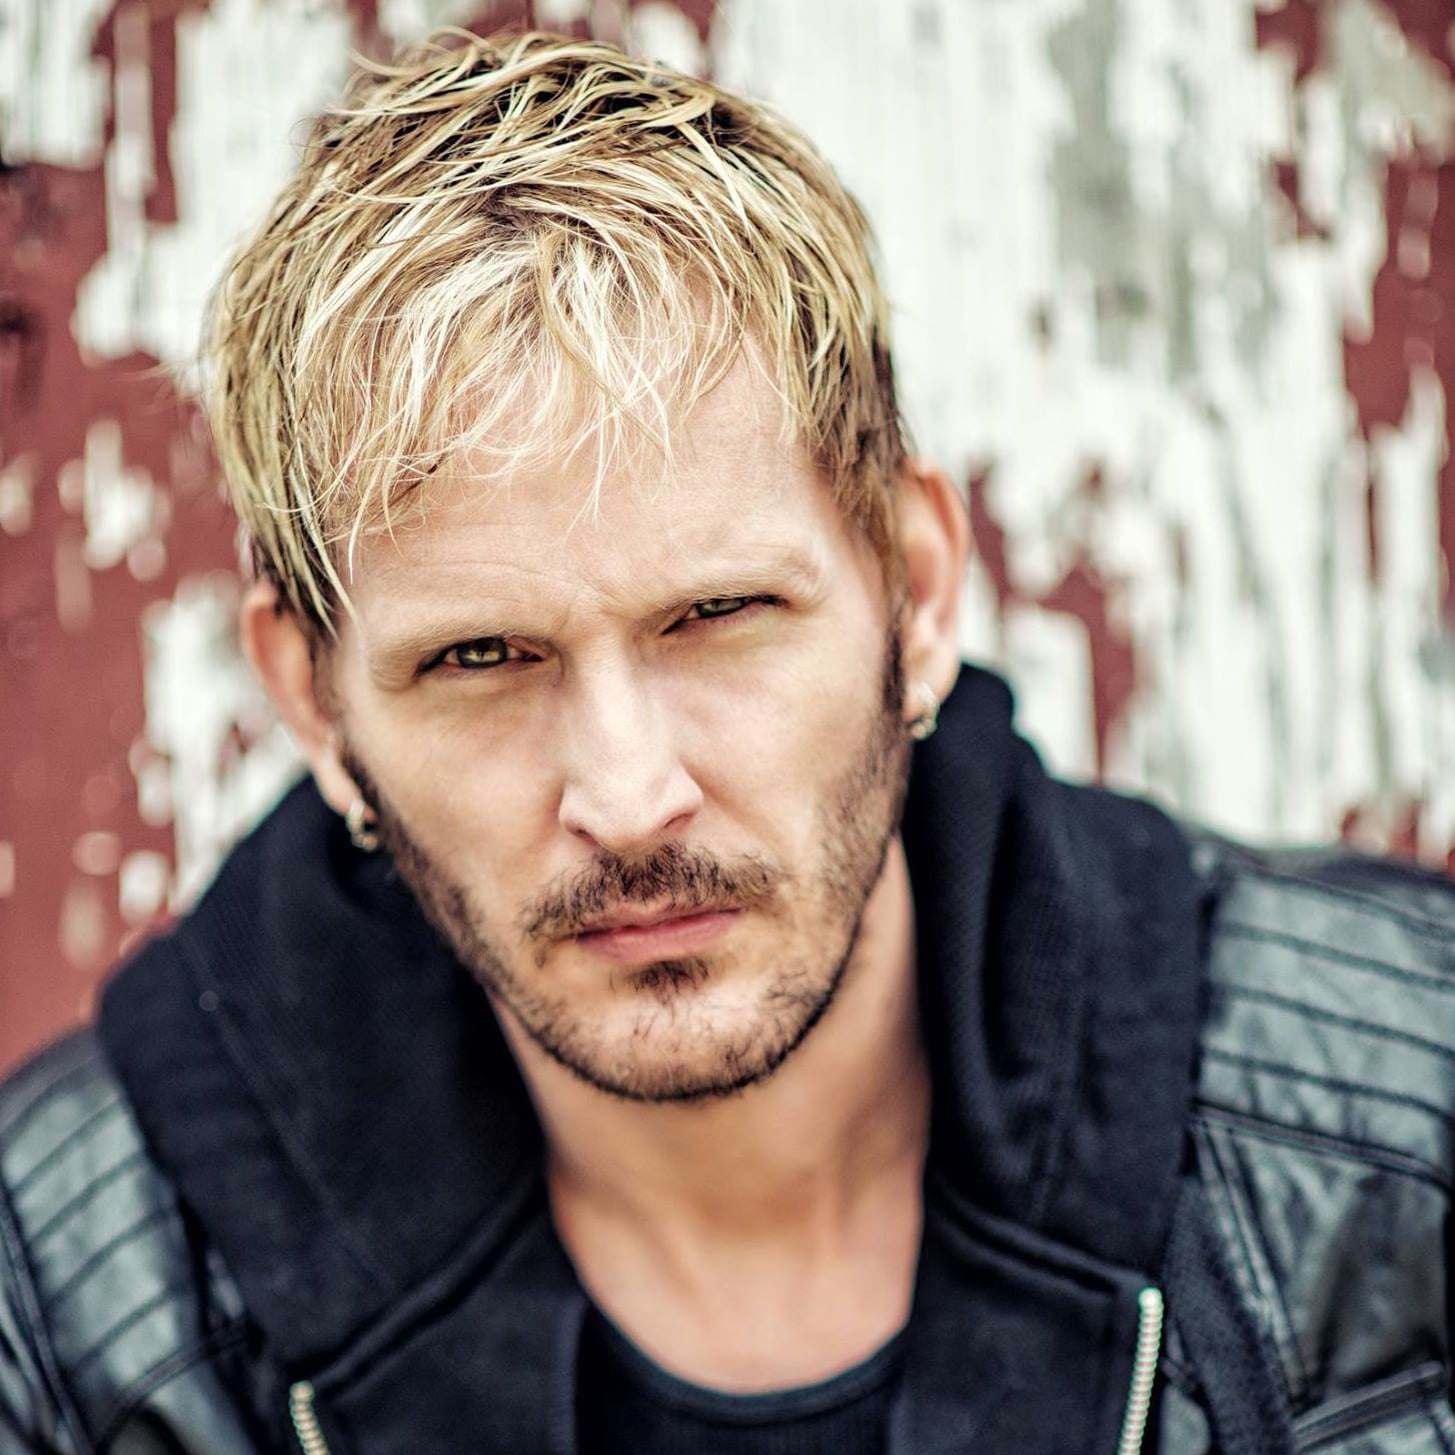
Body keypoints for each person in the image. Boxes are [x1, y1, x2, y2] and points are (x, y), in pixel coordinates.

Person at [2, 29, 1452, 1455]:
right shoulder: (62, 1309)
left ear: (917, 592)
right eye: (482, 659)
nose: (630, 797)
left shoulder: (1417, 1101)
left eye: (719, 616)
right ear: (316, 705)